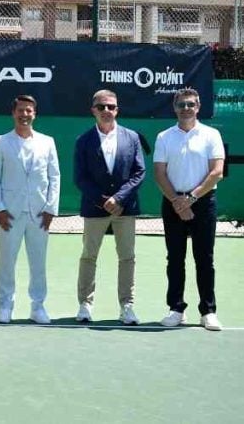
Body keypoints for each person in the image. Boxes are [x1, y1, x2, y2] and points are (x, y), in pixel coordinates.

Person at [153, 87, 225, 331]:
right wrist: (177, 201)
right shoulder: (164, 137)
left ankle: (208, 311)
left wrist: (191, 198)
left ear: (198, 106)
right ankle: (176, 309)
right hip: (172, 202)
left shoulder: (211, 135)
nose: (186, 109)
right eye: (181, 104)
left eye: (190, 104)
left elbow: (217, 172)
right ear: (175, 108)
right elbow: (159, 173)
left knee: (204, 258)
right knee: (175, 258)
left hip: (203, 203)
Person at [73, 89, 145, 325]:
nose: (107, 111)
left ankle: (127, 306)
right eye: (102, 107)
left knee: (127, 257)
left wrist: (119, 199)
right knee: (89, 256)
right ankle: (85, 304)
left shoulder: (132, 137)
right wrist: (104, 200)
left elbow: (139, 172)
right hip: (95, 208)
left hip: (125, 209)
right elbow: (80, 178)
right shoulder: (83, 141)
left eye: (111, 107)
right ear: (93, 110)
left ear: (117, 110)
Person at [0, 94, 60, 325]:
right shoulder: (0, 142)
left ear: (34, 114)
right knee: (6, 261)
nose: (24, 114)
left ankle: (38, 307)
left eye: (29, 110)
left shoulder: (47, 142)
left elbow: (54, 177)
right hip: (9, 213)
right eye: (20, 110)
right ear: (13, 113)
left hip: (39, 213)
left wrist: (50, 209)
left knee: (38, 262)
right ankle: (5, 306)